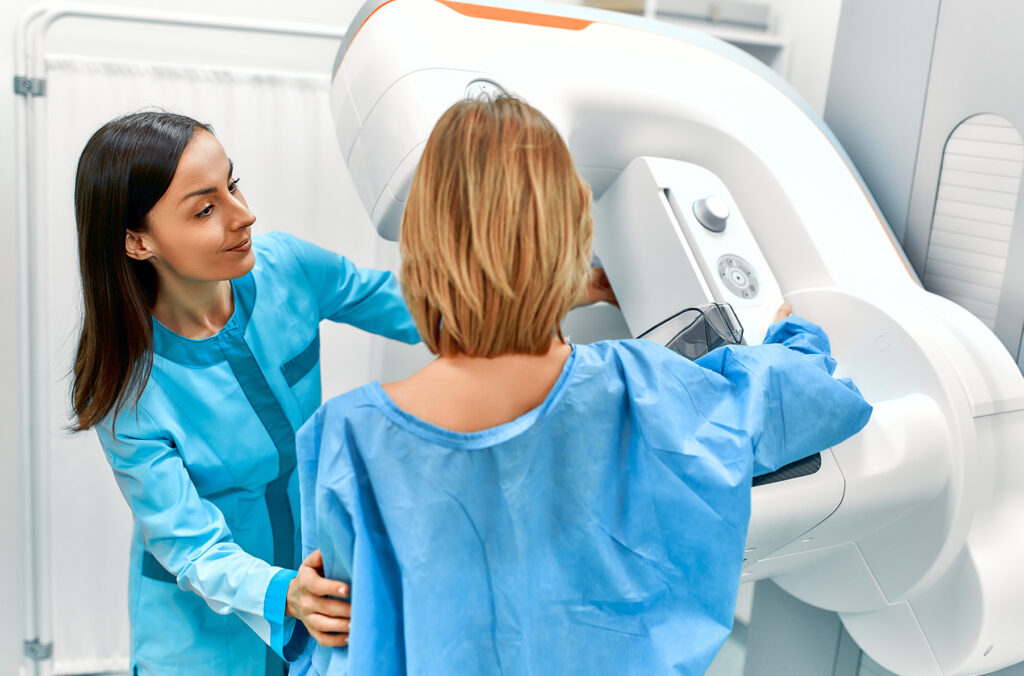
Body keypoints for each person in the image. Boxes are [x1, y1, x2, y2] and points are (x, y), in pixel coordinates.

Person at [293, 96, 874, 675]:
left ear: (423, 245)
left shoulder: (349, 440)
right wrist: (790, 335)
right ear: (570, 236)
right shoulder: (642, 387)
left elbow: (344, 644)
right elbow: (811, 398)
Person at [71, 111, 421, 675]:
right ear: (138, 241)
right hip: (200, 636)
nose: (245, 215)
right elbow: (193, 547)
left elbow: (407, 302)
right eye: (206, 209)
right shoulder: (128, 390)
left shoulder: (287, 269)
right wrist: (289, 594)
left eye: (232, 184)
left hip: (310, 581)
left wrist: (553, 289)